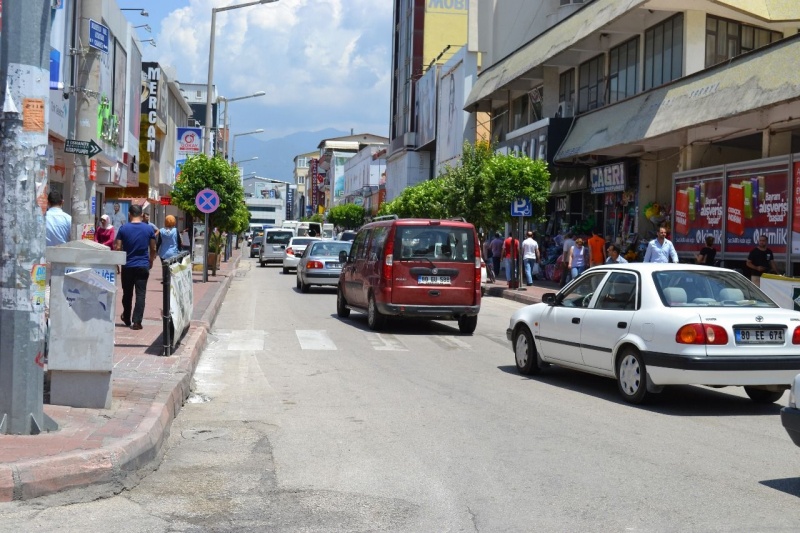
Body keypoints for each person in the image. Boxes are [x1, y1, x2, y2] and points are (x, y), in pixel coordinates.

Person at [114, 205, 156, 330]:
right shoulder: (148, 229)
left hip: (128, 265)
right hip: (143, 265)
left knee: (127, 293)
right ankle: (137, 321)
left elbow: (117, 247)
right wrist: (151, 260)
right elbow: (153, 248)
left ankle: (126, 317)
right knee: (141, 294)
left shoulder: (123, 228)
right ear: (142, 214)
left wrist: (117, 262)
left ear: (129, 214)